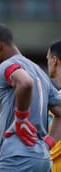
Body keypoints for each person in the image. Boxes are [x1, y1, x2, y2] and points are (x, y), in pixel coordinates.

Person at [0, 23, 61, 172]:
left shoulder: (7, 65)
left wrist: (21, 118)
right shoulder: (40, 72)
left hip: (17, 156)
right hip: (42, 159)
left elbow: (25, 83)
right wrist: (49, 143)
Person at [46, 40, 61, 172]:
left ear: (54, 60)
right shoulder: (57, 96)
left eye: (48, 59)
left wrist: (43, 153)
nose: (47, 63)